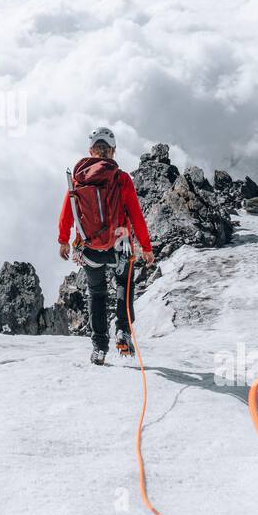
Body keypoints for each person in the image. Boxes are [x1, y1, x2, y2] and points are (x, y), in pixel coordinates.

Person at [58, 127, 155, 365]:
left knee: (97, 293)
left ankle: (99, 347)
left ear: (91, 150)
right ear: (112, 151)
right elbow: (136, 215)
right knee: (124, 284)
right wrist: (146, 247)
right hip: (120, 245)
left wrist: (63, 240)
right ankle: (122, 329)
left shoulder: (78, 178)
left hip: (90, 247)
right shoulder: (121, 178)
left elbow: (68, 212)